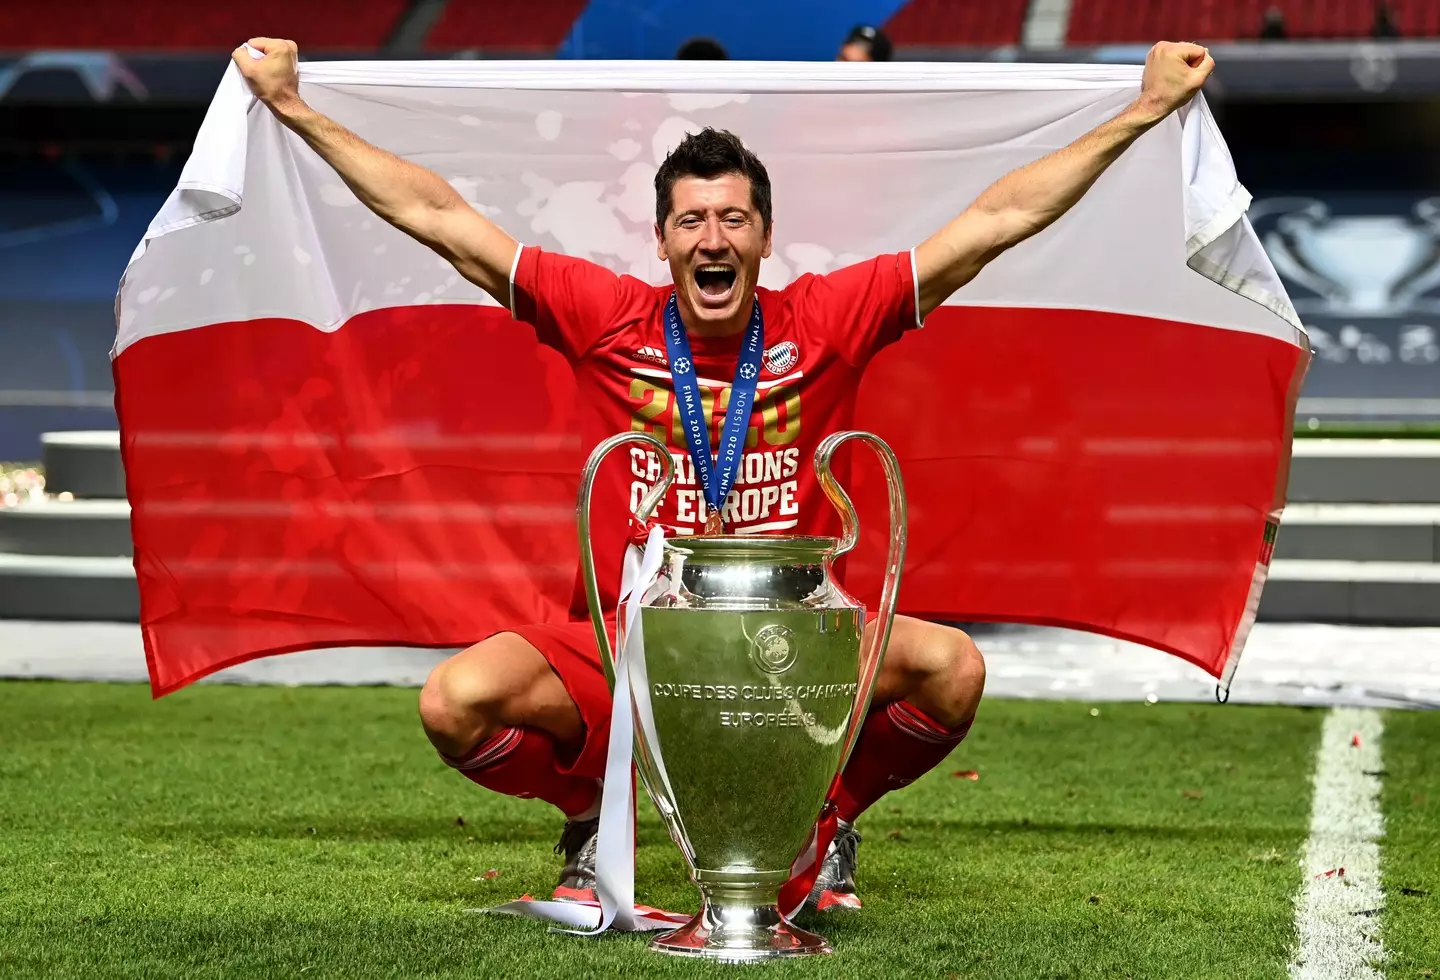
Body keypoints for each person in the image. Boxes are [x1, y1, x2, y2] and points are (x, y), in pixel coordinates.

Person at [232, 38, 1214, 913]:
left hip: (790, 639)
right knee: (454, 700)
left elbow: (997, 217)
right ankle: (590, 803)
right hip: (644, 636)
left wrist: (1142, 111)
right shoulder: (604, 315)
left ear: (763, 238)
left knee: (953, 668)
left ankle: (819, 808)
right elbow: (438, 215)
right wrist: (293, 109)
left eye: (734, 218)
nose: (714, 238)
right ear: (662, 239)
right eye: (694, 219)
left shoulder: (829, 319)